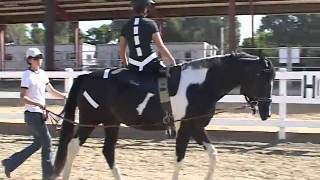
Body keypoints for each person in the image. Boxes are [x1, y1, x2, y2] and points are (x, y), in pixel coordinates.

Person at [2, 48, 66, 179]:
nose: (39, 60)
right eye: (36, 58)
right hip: (32, 114)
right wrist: (37, 104)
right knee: (47, 142)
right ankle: (49, 176)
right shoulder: (27, 75)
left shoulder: (42, 74)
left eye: (40, 57)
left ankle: (10, 163)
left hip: (39, 114)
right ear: (30, 60)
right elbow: (22, 97)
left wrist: (65, 97)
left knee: (38, 143)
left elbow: (52, 91)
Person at [119, 0, 176, 72]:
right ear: (145, 8)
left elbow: (121, 50)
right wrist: (172, 60)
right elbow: (160, 46)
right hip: (151, 63)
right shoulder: (150, 23)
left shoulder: (125, 26)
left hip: (133, 65)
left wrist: (126, 65)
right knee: (166, 78)